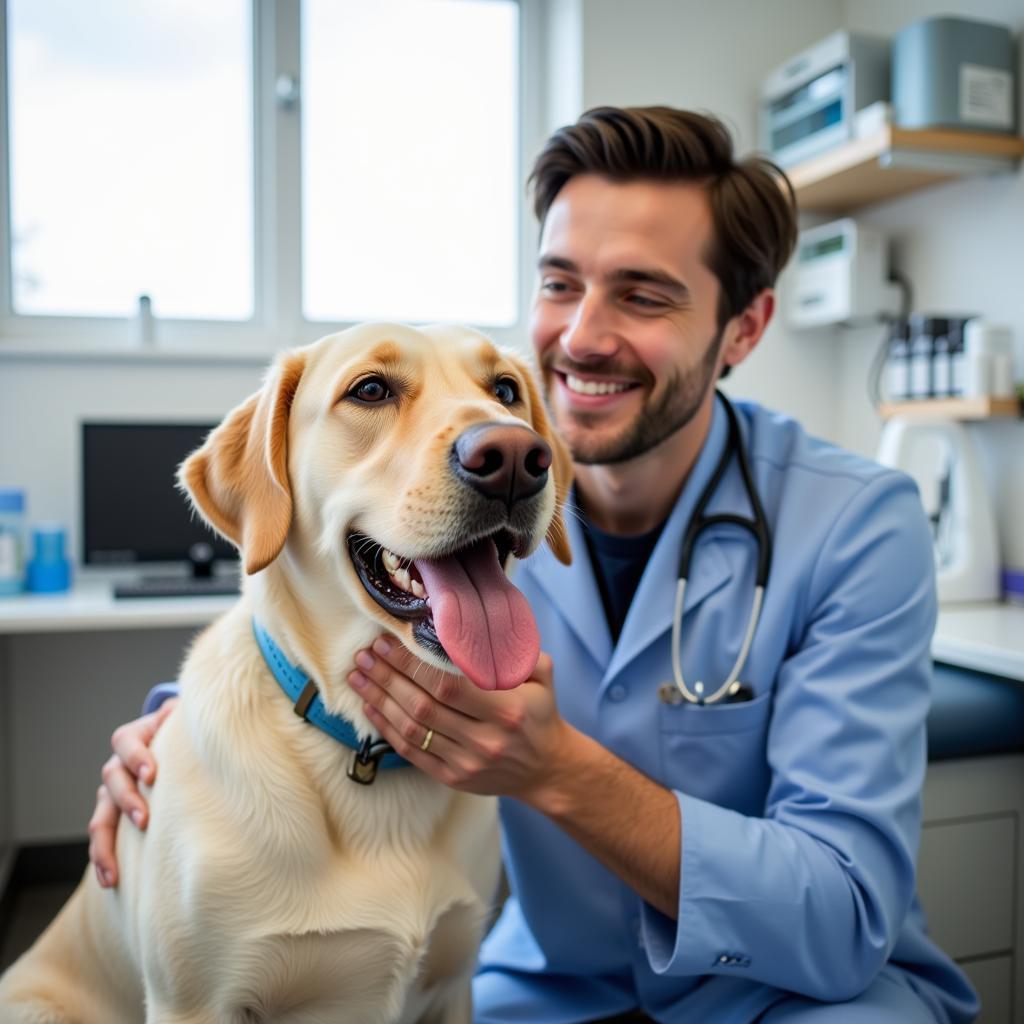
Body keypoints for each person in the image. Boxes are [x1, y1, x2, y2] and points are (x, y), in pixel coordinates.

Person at [89, 107, 978, 1023]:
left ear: (744, 328)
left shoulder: (857, 522)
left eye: (643, 295)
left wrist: (557, 770)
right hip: (553, 991)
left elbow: (844, 916)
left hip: (793, 994)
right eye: (561, 284)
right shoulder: (469, 494)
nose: (583, 336)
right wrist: (178, 735)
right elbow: (313, 613)